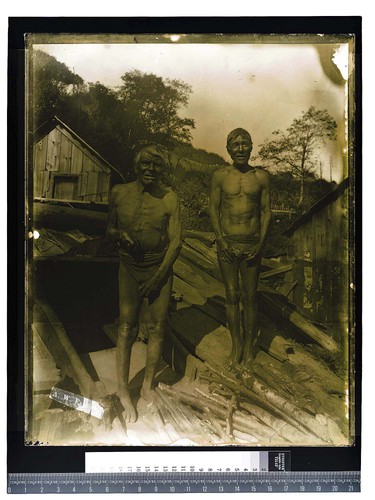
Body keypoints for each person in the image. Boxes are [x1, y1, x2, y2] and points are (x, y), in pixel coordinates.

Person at [106, 143, 182, 423]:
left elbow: (176, 241)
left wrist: (159, 277)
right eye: (146, 165)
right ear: (136, 166)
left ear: (163, 169)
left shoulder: (170, 198)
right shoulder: (119, 193)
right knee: (126, 327)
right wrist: (120, 234)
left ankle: (148, 386)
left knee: (157, 326)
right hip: (129, 266)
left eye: (157, 165)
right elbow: (108, 229)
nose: (151, 170)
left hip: (158, 266)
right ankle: (124, 391)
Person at [209, 128, 271, 372]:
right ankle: (236, 348)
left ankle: (249, 349)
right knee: (232, 296)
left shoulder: (262, 178)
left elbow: (266, 212)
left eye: (245, 143)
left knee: (250, 297)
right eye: (235, 144)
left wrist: (260, 244)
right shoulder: (219, 176)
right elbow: (213, 209)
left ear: (252, 146)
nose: (240, 148)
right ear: (228, 149)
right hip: (228, 242)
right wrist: (221, 241)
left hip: (252, 242)